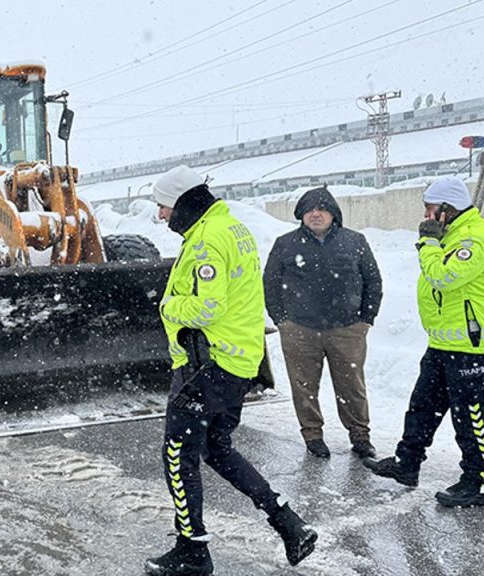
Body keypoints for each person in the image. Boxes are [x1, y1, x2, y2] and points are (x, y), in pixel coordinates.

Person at [145, 165, 317, 576]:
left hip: (207, 366)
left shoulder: (207, 240)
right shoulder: (230, 228)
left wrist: (168, 306)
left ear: (183, 202)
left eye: (164, 206)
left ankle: (192, 550)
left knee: (178, 454)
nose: (161, 215)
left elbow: (207, 306)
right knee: (217, 448)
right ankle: (288, 523)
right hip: (235, 363)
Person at [363, 177, 484, 508]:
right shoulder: (451, 235)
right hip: (443, 342)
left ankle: (479, 481)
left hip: (474, 346)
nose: (426, 217)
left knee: (471, 417)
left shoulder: (476, 238)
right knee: (423, 406)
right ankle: (407, 463)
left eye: (430, 210)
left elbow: (443, 277)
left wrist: (428, 243)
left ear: (447, 209)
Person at [263, 186, 383, 459]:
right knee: (304, 386)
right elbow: (270, 283)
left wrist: (366, 319)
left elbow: (373, 280)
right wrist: (282, 320)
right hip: (299, 330)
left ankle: (360, 436)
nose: (315, 214)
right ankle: (313, 435)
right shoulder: (285, 244)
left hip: (347, 329)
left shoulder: (354, 241)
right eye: (309, 210)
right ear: (301, 215)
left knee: (352, 386)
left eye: (321, 209)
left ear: (333, 214)